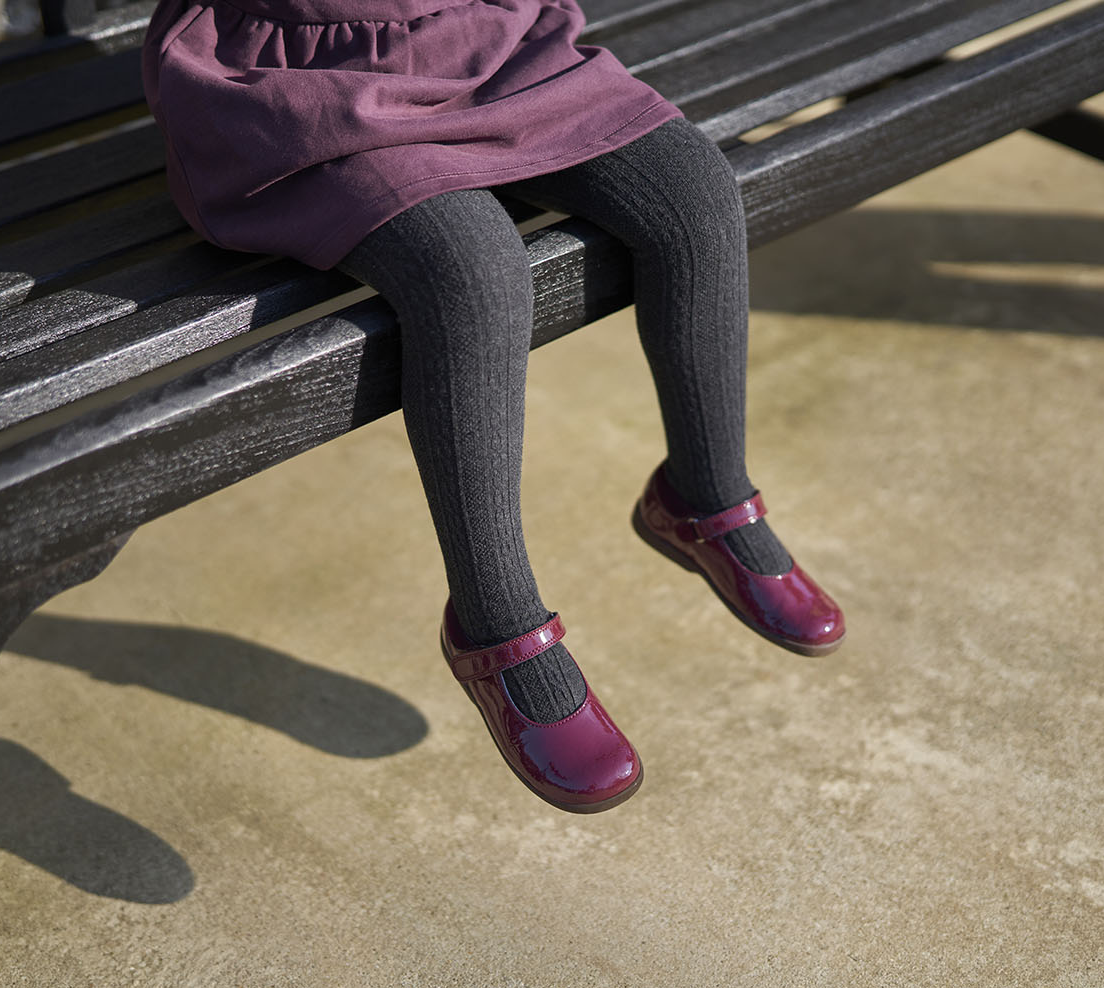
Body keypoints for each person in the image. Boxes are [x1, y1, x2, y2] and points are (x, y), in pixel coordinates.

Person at [142, 0, 844, 813]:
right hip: (303, 78)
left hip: (480, 39)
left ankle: (706, 493)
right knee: (473, 271)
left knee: (694, 196)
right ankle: (495, 619)